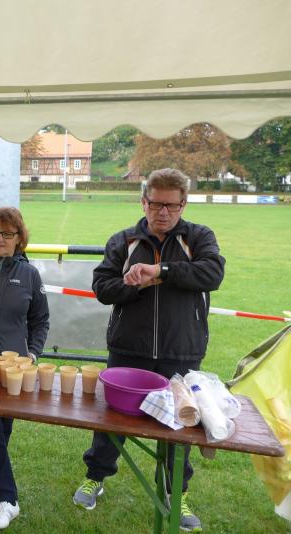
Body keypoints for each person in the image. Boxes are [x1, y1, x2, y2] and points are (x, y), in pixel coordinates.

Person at [72, 168, 225, 532]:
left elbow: (212, 274)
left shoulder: (198, 237)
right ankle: (95, 477)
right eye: (156, 204)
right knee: (111, 423)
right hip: (128, 351)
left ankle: (176, 492)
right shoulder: (123, 240)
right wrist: (135, 285)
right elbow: (102, 287)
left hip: (181, 351)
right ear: (143, 202)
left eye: (171, 205)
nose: (163, 212)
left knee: (180, 425)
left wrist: (162, 271)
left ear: (183, 204)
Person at [0, 207, 49, 529]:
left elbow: (40, 320)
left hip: (13, 368)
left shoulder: (29, 275)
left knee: (1, 430)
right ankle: (7, 498)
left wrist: (33, 354)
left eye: (6, 233)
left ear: (19, 239)